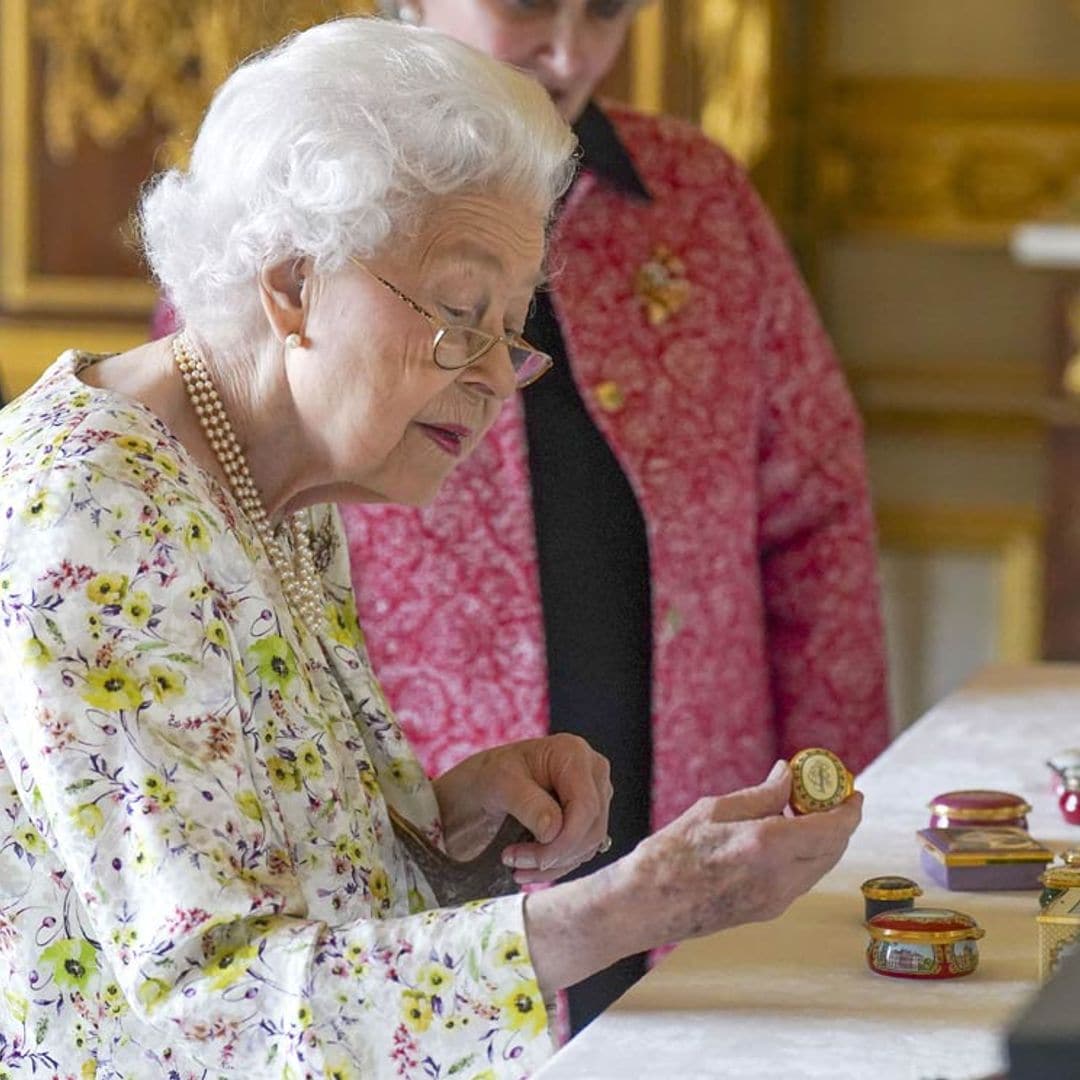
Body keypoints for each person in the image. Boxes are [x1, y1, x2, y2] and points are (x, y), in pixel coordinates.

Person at [0, 18, 862, 1079]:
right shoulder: (95, 510)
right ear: (292, 284)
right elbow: (212, 1007)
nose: (498, 377)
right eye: (461, 314)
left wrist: (445, 829)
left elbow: (275, 877)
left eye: (512, 328)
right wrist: (632, 906)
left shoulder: (270, 467)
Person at [336, 0, 891, 1031]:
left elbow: (816, 519)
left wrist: (841, 794)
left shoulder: (697, 197)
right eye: (530, 5)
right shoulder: (307, 208)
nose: (569, 49)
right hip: (434, 850)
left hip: (704, 799)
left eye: (604, 9)